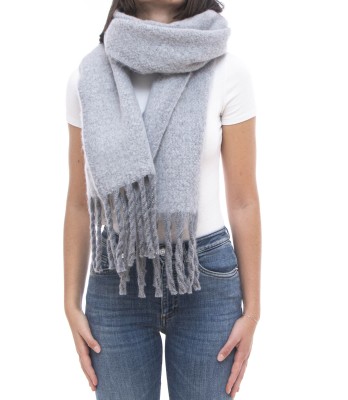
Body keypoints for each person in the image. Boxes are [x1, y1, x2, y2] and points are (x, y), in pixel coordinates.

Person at [64, 1, 261, 399]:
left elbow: (244, 201)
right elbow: (79, 202)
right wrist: (70, 304)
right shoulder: (88, 76)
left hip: (205, 275)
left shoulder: (228, 71)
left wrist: (253, 310)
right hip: (117, 275)